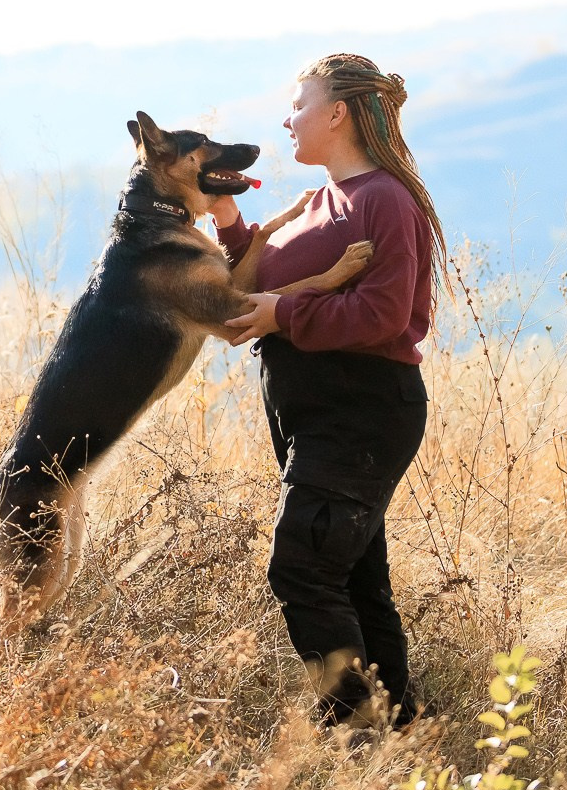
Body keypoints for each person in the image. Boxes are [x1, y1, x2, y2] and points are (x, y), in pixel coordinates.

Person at [206, 52, 449, 729]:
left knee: (302, 569)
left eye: (298, 104)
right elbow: (251, 287)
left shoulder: (383, 199)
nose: (286, 119)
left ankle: (349, 727)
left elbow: (384, 315)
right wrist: (229, 222)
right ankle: (401, 736)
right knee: (354, 579)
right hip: (313, 411)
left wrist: (283, 315)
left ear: (336, 113)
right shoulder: (320, 200)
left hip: (361, 411)